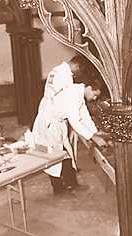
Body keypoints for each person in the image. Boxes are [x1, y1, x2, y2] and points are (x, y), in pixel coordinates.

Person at [32, 59, 102, 194]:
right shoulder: (71, 91)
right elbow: (75, 122)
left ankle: (71, 183)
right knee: (55, 156)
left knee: (66, 153)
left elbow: (84, 115)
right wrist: (93, 137)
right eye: (94, 95)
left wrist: (94, 132)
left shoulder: (77, 91)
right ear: (88, 87)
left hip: (57, 119)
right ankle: (58, 188)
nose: (94, 98)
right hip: (49, 122)